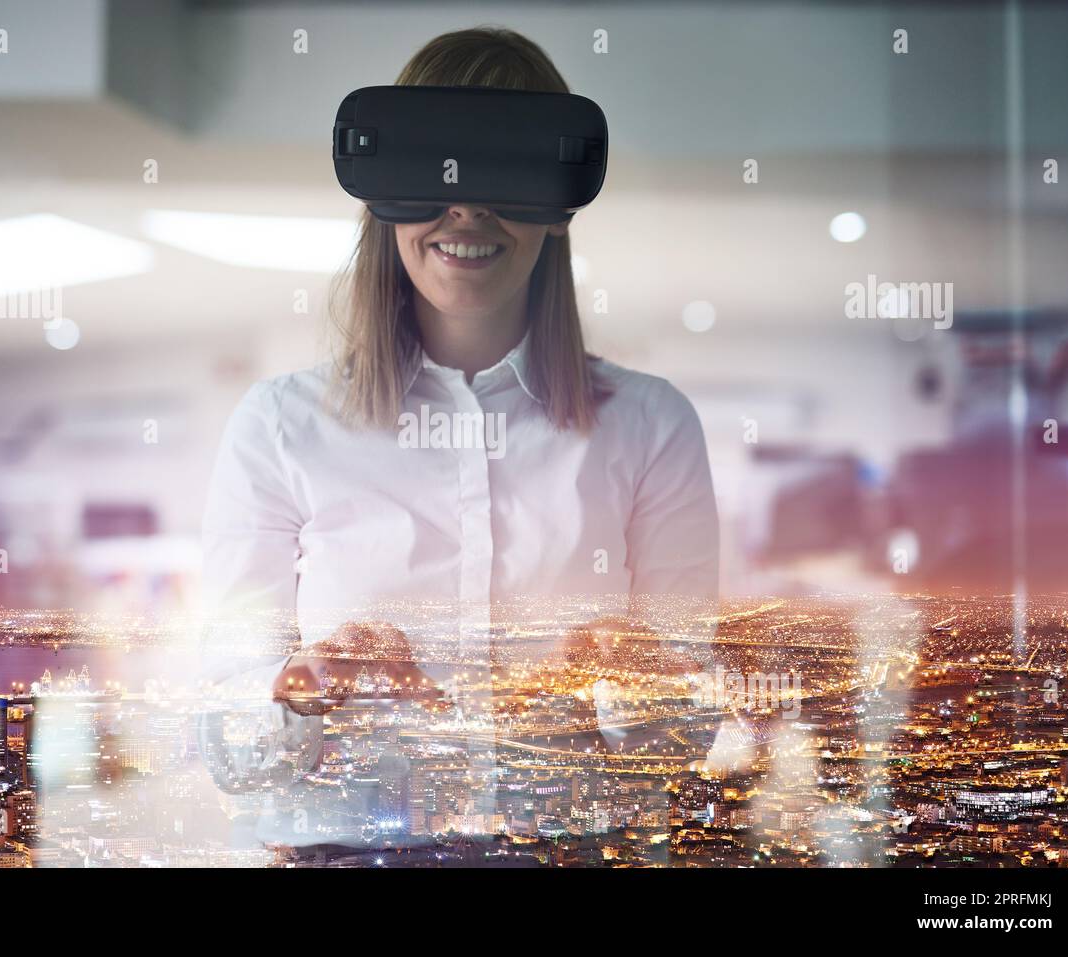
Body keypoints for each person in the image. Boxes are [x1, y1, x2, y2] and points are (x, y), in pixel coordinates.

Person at [200, 26, 718, 846]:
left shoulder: (651, 427)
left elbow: (683, 743)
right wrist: (306, 686)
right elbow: (229, 747)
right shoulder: (277, 428)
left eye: (503, 173)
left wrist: (633, 682)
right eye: (439, 171)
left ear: (555, 205)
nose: (468, 208)